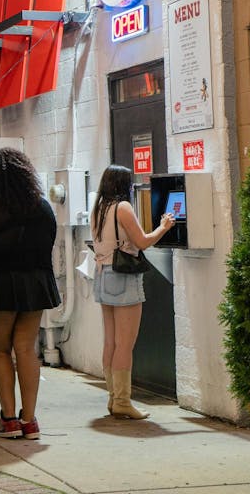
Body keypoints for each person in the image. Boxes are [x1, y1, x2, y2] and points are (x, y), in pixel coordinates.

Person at [0, 148, 60, 441]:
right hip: (35, 283)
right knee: (26, 349)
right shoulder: (42, 206)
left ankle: (8, 421)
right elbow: (49, 245)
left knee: (0, 350)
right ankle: (30, 421)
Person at [91, 165, 175, 420]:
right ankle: (123, 402)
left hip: (102, 275)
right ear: (123, 185)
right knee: (125, 344)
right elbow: (142, 242)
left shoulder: (99, 207)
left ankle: (113, 398)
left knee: (111, 341)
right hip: (123, 277)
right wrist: (165, 226)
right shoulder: (123, 208)